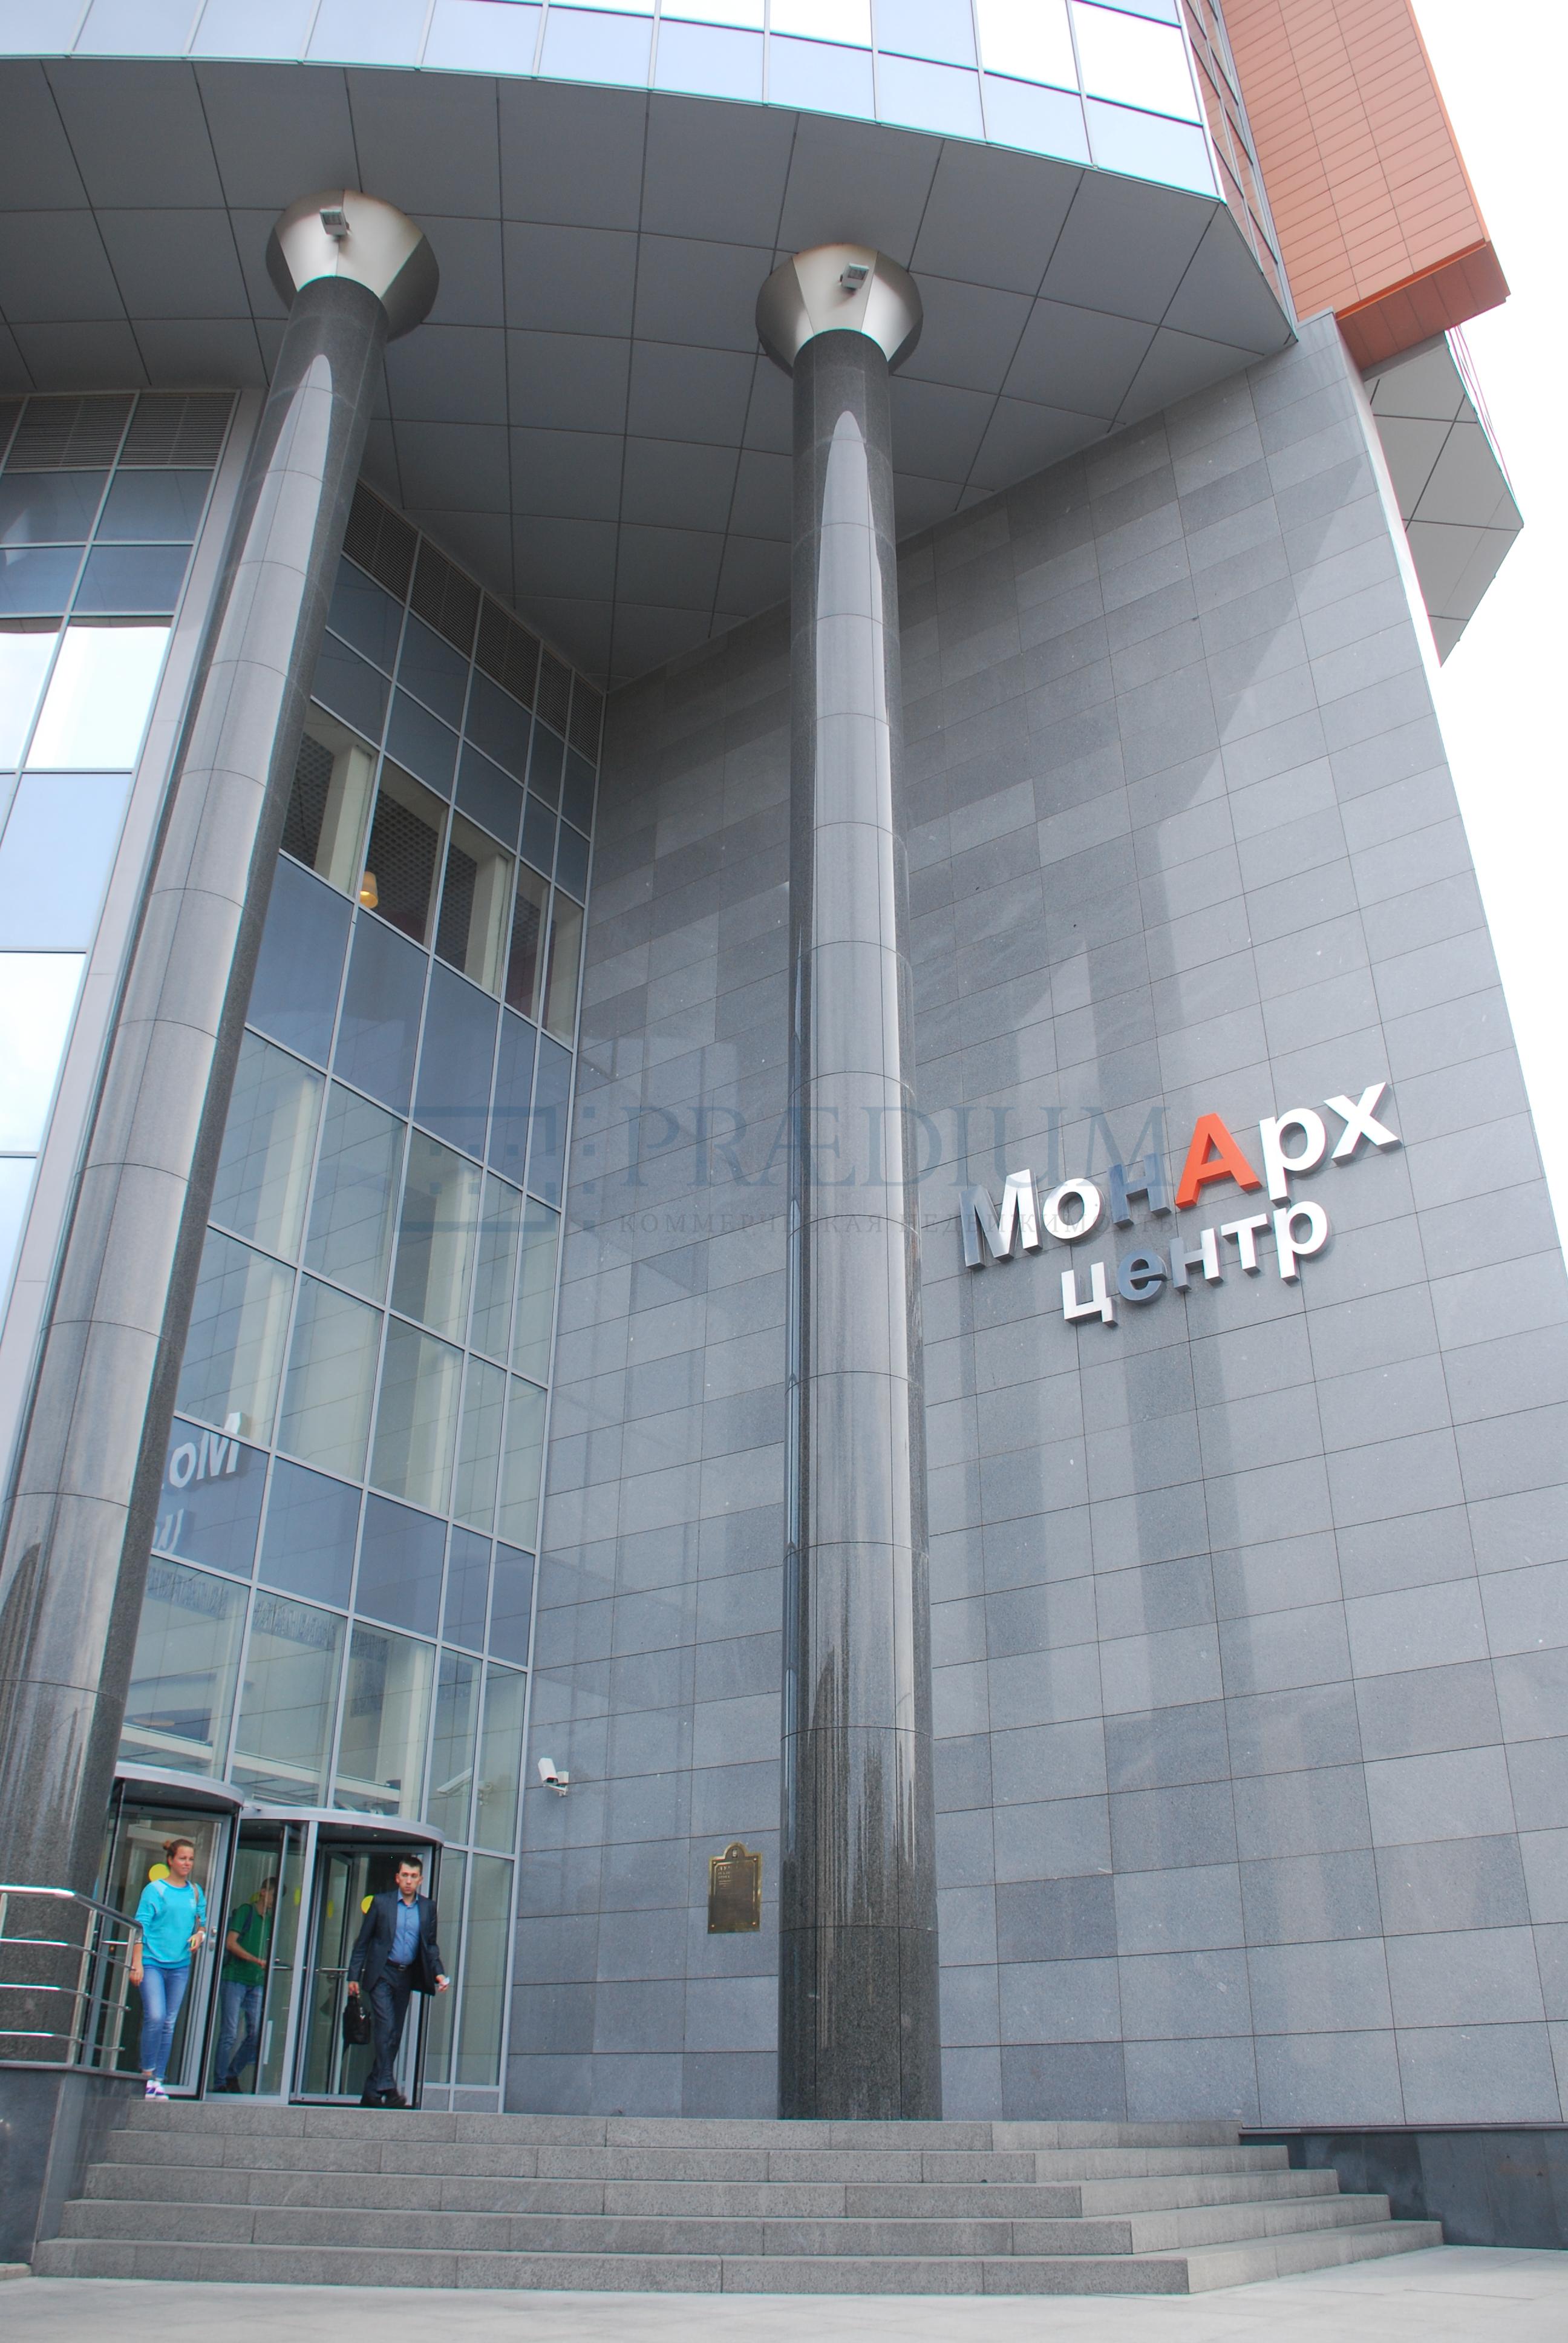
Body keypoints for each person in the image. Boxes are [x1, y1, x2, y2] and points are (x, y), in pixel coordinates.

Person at [345, 1854, 448, 2108]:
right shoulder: (381, 1904)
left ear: (420, 1880)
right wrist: (353, 1976)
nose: (408, 1881)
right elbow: (363, 1942)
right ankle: (388, 2088)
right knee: (386, 2026)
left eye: (413, 1877)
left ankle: (372, 2091)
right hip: (382, 1973)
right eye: (405, 1876)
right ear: (397, 1878)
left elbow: (430, 1945)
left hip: (406, 1976)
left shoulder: (428, 1908)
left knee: (395, 2034)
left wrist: (439, 1973)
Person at [128, 1837, 207, 2100]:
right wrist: (137, 1963)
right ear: (171, 1860)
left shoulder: (195, 1892)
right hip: (151, 1961)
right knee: (156, 2016)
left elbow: (203, 1923)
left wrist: (200, 1936)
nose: (187, 1863)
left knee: (169, 2022)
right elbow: (140, 1926)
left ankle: (158, 2080)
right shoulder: (155, 1890)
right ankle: (147, 2074)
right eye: (183, 1858)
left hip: (180, 1965)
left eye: (191, 1859)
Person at [213, 1875, 278, 2093]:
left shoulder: (269, 1920)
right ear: (263, 1892)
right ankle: (220, 2081)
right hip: (235, 1978)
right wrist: (256, 1960)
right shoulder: (246, 1912)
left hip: (256, 1981)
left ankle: (232, 2073)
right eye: (273, 1895)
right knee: (230, 2032)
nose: (274, 1901)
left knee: (257, 2033)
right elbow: (231, 1943)